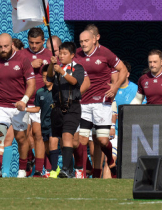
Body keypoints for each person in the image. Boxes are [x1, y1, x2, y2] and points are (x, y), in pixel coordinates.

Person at [0, 33, 35, 178]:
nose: (3, 49)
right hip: (1, 105)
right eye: (0, 47)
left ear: (11, 45)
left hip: (19, 106)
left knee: (21, 139)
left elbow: (31, 83)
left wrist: (24, 100)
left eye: (5, 46)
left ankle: (22, 169)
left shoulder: (23, 60)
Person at [74, 30, 127, 179]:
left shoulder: (105, 53)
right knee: (82, 140)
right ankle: (83, 173)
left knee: (102, 141)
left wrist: (115, 87)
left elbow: (122, 69)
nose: (84, 44)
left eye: (86, 41)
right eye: (81, 41)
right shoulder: (76, 54)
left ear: (94, 40)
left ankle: (110, 162)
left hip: (101, 103)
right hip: (83, 103)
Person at [48, 42, 86, 178]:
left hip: (72, 107)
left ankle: (65, 168)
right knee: (62, 140)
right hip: (57, 107)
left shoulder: (78, 68)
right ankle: (68, 170)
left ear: (72, 55)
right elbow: (49, 77)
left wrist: (62, 72)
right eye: (60, 53)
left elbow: (75, 82)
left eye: (65, 54)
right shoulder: (57, 67)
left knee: (67, 135)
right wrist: (52, 65)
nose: (61, 56)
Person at [21, 27, 52, 177]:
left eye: (37, 43)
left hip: (42, 103)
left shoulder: (50, 55)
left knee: (39, 136)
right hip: (25, 101)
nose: (34, 46)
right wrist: (29, 65)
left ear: (43, 41)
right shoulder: (21, 55)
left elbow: (56, 77)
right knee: (24, 135)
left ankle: (39, 170)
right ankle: (30, 158)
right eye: (31, 42)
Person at [104, 61, 138, 177]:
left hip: (131, 132)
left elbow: (142, 110)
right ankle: (105, 191)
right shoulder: (110, 89)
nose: (117, 76)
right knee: (109, 161)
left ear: (127, 74)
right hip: (114, 132)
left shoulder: (136, 90)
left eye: (120, 73)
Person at [27, 65, 59, 178]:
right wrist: (25, 109)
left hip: (55, 123)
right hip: (44, 123)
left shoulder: (58, 91)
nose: (46, 80)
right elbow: (37, 108)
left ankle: (54, 171)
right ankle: (55, 168)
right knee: (47, 148)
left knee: (53, 143)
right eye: (44, 77)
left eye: (48, 77)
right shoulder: (40, 92)